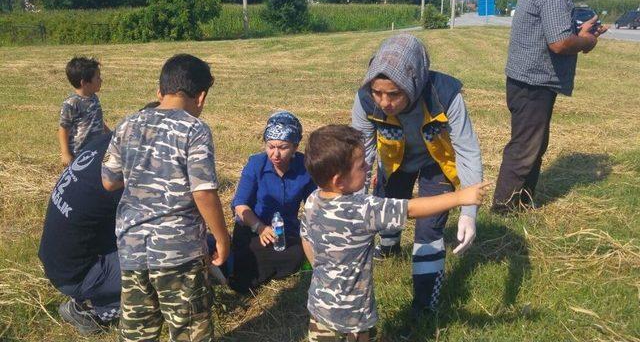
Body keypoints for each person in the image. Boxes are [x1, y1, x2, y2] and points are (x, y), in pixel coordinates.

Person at [300, 125, 489, 342]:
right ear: (339, 181)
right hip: (356, 316)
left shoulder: (313, 200)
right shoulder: (363, 209)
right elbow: (411, 208)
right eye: (361, 165)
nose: (368, 165)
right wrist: (460, 197)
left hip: (319, 307)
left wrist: (321, 270)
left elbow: (306, 239)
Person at [351, 33, 483, 314]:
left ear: (414, 82)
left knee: (428, 229)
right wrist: (356, 202)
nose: (384, 102)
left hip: (436, 162)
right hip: (394, 162)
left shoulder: (445, 95)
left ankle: (424, 305)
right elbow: (360, 153)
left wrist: (469, 213)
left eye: (394, 94)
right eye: (378, 92)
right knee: (385, 212)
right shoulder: (364, 99)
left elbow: (468, 151)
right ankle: (389, 246)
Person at [101, 54, 230, 341]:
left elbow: (109, 182)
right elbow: (204, 192)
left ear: (160, 90)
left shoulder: (126, 124)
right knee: (188, 329)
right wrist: (222, 237)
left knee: (138, 330)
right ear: (202, 96)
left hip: (133, 248)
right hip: (178, 251)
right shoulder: (194, 129)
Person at [492, 0, 608, 213]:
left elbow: (550, 30)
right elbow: (558, 44)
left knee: (534, 142)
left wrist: (579, 30)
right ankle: (503, 208)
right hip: (534, 81)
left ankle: (523, 201)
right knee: (525, 145)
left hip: (527, 78)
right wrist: (586, 41)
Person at [39, 132, 122, 335]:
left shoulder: (106, 141)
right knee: (164, 262)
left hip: (58, 260)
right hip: (76, 274)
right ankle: (89, 309)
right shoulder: (125, 169)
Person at [229, 111, 316, 292]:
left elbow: (314, 203)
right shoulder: (255, 164)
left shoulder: (305, 167)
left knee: (297, 252)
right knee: (249, 252)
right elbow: (240, 205)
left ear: (295, 147)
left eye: (283, 147)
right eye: (270, 146)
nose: (275, 154)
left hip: (286, 230)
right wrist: (260, 228)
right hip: (252, 228)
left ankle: (253, 272)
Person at [58, 57, 110, 166]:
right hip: (79, 154)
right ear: (84, 83)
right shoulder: (72, 103)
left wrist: (110, 134)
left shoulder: (94, 98)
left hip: (96, 150)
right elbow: (63, 129)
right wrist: (65, 153)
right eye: (97, 78)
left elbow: (97, 119)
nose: (101, 80)